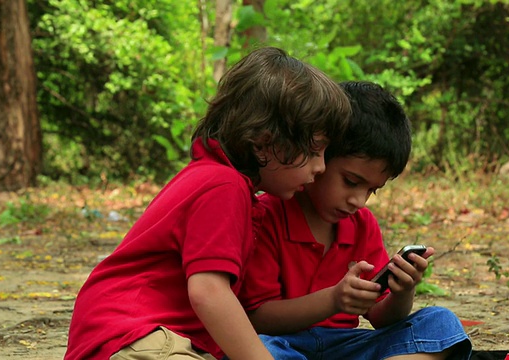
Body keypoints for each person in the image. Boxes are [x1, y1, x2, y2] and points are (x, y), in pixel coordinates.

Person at [64, 47, 351, 360]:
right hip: (136, 333)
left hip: (150, 338)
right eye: (313, 151)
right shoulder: (223, 187)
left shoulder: (216, 179)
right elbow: (209, 293)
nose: (320, 167)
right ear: (264, 142)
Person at [238, 81, 472, 359]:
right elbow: (256, 317)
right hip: (282, 345)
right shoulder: (266, 215)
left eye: (372, 190)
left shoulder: (362, 224)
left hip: (346, 346)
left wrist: (401, 291)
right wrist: (333, 300)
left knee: (440, 323)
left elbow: (381, 317)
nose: (359, 200)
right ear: (318, 154)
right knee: (259, 350)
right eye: (350, 182)